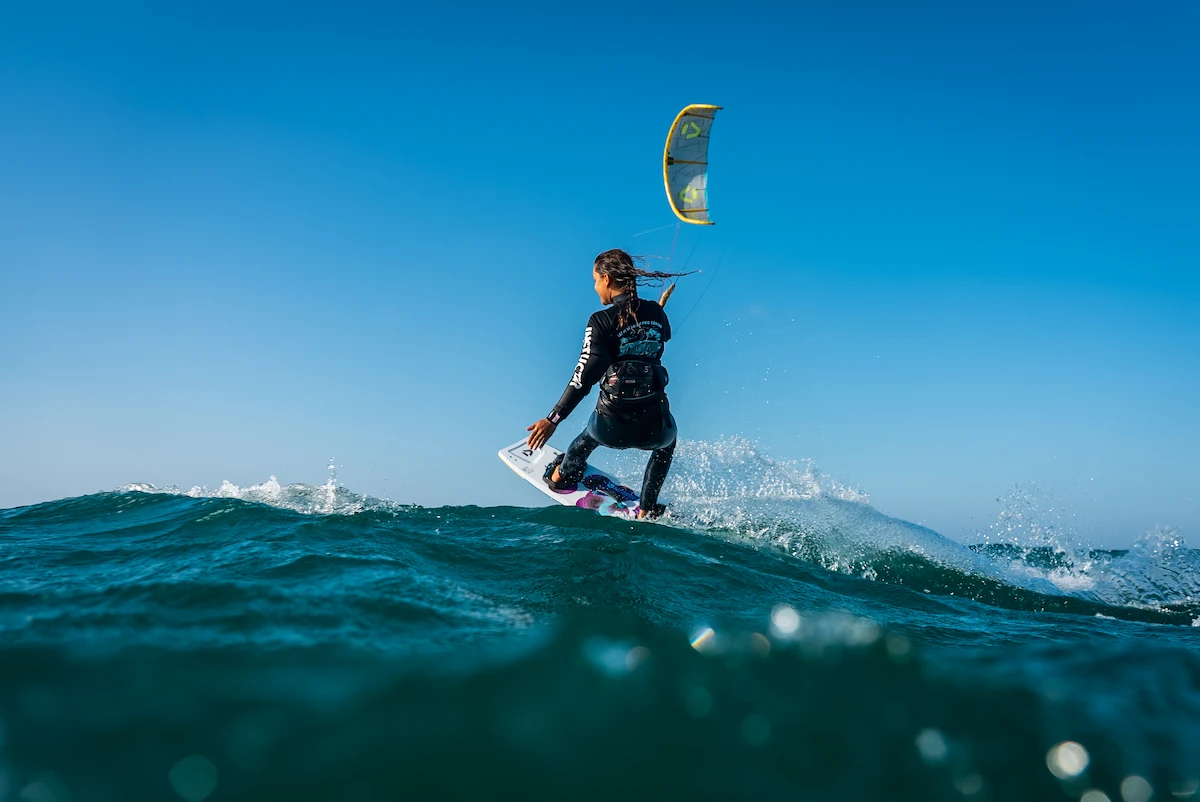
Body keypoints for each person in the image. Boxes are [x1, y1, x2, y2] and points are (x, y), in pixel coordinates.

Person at [526, 249, 690, 520]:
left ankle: (559, 476)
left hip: (609, 428)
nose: (594, 287)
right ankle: (646, 508)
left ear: (607, 278)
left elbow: (583, 378)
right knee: (666, 445)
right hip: (656, 428)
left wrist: (552, 419)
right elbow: (663, 334)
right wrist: (655, 310)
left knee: (585, 440)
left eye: (594, 280)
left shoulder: (600, 321)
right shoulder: (656, 314)